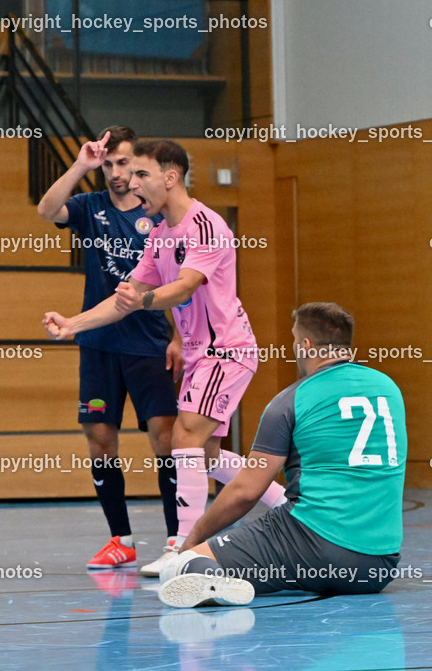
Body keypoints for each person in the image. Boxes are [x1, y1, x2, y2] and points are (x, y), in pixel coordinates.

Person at [43, 139, 286, 576]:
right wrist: (73, 324)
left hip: (224, 351)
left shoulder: (205, 225)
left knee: (183, 441)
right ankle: (289, 507)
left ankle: (185, 551)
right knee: (205, 457)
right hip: (200, 355)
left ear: (170, 178)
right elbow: (125, 297)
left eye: (141, 175)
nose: (132, 184)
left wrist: (144, 299)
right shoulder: (158, 235)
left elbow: (185, 286)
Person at [157, 302, 407, 608]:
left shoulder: (291, 400)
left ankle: (216, 580)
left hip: (310, 546)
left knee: (175, 570)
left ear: (305, 344)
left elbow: (246, 492)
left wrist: (192, 539)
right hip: (376, 567)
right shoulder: (389, 389)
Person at [37, 126, 184, 574]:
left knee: (165, 440)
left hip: (149, 344)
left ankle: (177, 538)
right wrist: (81, 164)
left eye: (123, 163)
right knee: (100, 440)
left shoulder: (157, 212)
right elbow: (46, 210)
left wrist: (177, 337)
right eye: (108, 164)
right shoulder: (89, 207)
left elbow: (180, 279)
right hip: (99, 345)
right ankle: (120, 539)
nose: (116, 173)